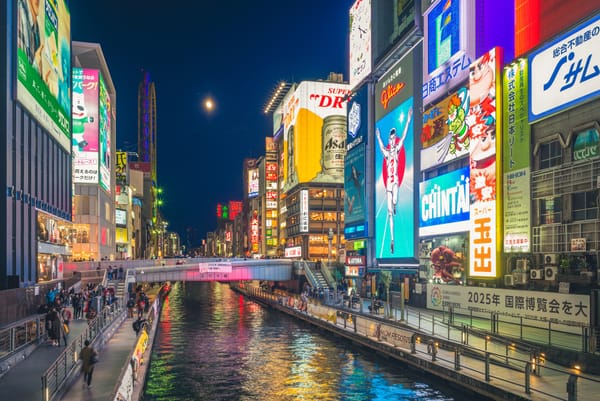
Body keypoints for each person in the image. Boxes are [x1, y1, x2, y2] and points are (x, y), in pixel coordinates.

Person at [376, 107, 412, 254]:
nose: (392, 140)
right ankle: (392, 240)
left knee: (395, 201)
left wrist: (409, 119)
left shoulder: (396, 149)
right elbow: (379, 146)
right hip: (389, 186)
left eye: (393, 137)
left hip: (395, 181)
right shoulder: (386, 151)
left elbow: (404, 136)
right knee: (389, 212)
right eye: (390, 138)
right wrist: (378, 137)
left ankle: (395, 205)